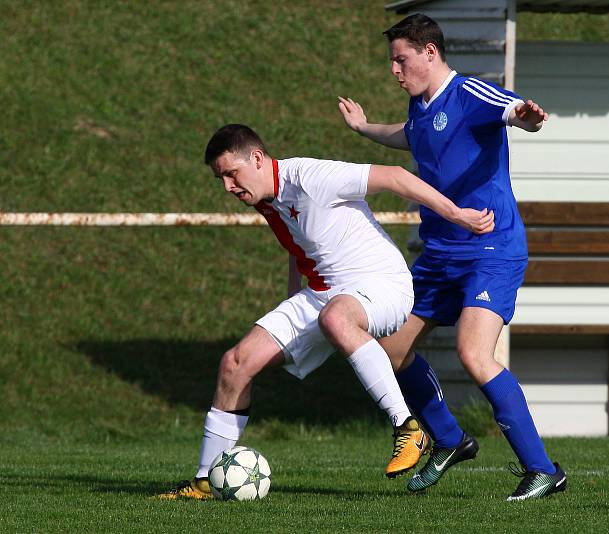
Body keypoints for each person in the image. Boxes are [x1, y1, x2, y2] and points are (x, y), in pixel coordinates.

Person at [158, 123, 495, 500]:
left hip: (382, 282)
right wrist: (290, 297)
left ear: (256, 158)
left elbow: (396, 177)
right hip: (323, 294)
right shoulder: (266, 197)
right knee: (235, 364)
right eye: (220, 178)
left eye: (231, 174)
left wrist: (457, 215)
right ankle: (205, 481)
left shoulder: (311, 177)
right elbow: (298, 239)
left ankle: (408, 427)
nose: (227, 187)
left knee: (336, 317)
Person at [338, 13, 567, 501]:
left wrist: (528, 118)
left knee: (473, 354)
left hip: (491, 248)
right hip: (440, 253)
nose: (395, 71)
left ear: (429, 52)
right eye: (392, 62)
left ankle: (543, 469)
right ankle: (449, 439)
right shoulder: (419, 106)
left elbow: (512, 111)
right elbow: (411, 134)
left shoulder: (471, 94)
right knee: (390, 350)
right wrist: (364, 129)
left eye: (401, 60)